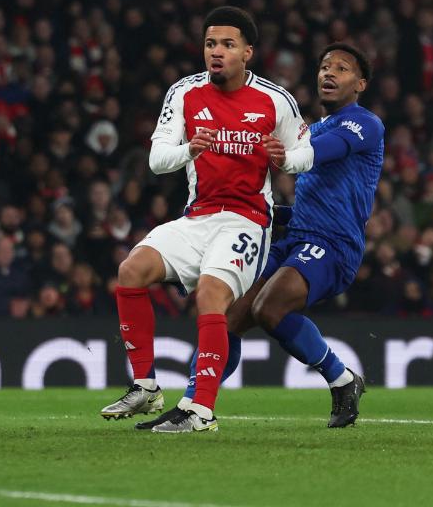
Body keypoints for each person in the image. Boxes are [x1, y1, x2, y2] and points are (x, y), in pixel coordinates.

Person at [137, 42, 384, 431]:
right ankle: (193, 404)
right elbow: (298, 196)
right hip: (294, 237)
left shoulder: (364, 124)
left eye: (342, 69)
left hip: (334, 246)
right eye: (324, 66)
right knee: (228, 314)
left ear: (361, 84)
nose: (329, 74)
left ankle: (342, 378)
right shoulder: (309, 129)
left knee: (270, 308)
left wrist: (250, 140)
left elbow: (322, 152)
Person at [99, 7, 311, 434]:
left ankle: (201, 411)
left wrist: (285, 159)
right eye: (211, 44)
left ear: (247, 53)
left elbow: (305, 155)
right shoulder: (184, 93)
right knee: (131, 271)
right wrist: (189, 151)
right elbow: (158, 160)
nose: (216, 52)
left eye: (227, 45)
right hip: (197, 217)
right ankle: (145, 385)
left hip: (247, 221)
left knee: (211, 295)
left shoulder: (275, 100)